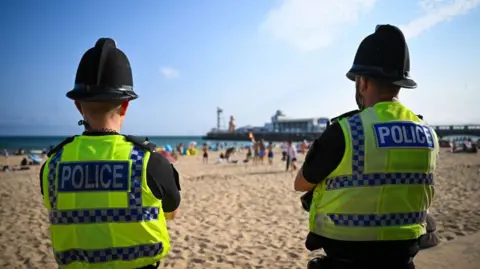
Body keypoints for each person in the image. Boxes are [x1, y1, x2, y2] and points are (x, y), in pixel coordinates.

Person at [294, 25, 439, 269]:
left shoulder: (346, 131)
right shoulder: (428, 134)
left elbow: (301, 183)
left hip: (347, 260)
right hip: (402, 260)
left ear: (362, 82)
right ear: (400, 84)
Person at [38, 38, 181, 269]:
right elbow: (170, 212)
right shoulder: (150, 162)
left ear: (78, 105)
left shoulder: (53, 165)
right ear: (125, 104)